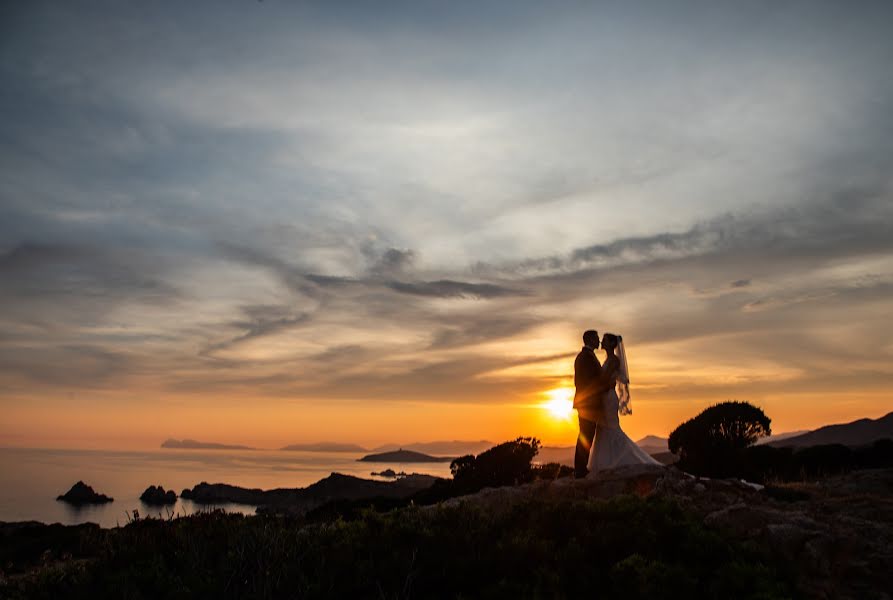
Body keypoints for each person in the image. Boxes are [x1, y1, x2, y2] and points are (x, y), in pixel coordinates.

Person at [587, 333, 661, 475]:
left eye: (605, 340)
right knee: (602, 429)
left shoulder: (614, 360)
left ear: (610, 344)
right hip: (604, 397)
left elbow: (604, 379)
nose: (602, 341)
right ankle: (606, 463)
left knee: (611, 428)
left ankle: (619, 460)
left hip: (608, 398)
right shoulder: (608, 359)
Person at [573, 329, 614, 478]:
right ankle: (580, 470)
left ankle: (580, 468)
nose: (599, 341)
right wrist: (606, 386)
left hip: (586, 403)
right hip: (587, 404)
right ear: (590, 340)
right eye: (596, 338)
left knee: (586, 435)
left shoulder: (586, 356)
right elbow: (588, 382)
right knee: (586, 435)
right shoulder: (585, 357)